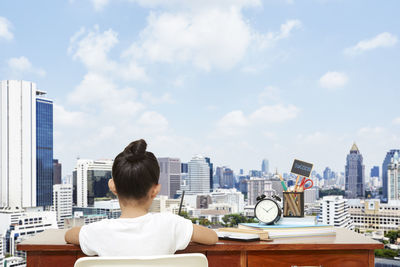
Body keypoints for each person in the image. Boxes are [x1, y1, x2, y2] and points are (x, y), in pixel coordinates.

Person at [65, 139, 218, 256]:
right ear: (155, 190)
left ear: (112, 186)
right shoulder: (171, 224)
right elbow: (212, 238)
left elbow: (69, 235)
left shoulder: (98, 231)